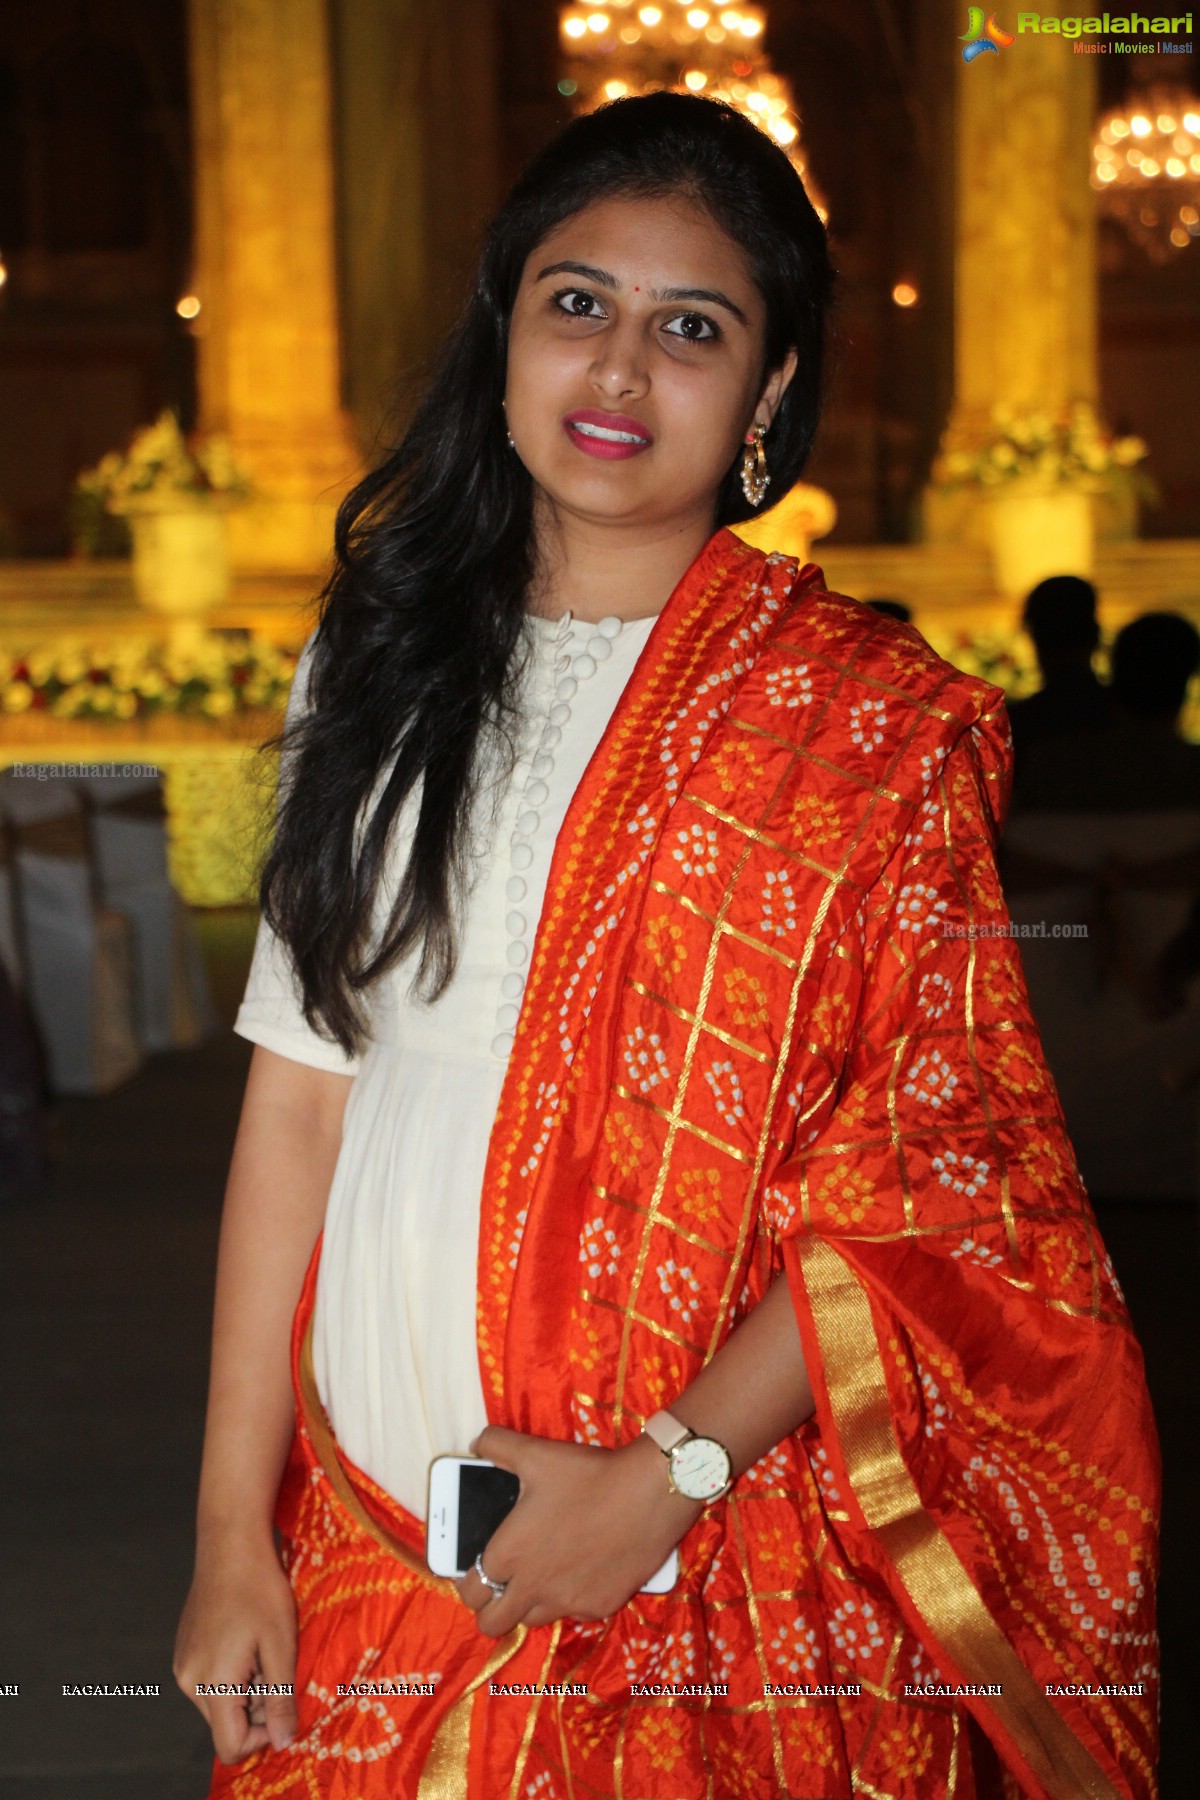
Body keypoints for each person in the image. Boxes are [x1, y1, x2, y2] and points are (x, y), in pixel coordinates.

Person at [174, 94, 1160, 1800]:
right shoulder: (376, 662)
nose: (620, 371)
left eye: (690, 329)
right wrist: (224, 1538)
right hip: (359, 1546)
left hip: (701, 1564)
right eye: (578, 305)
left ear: (770, 392)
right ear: (505, 336)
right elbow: (299, 1109)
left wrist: (662, 1478)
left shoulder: (863, 728)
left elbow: (940, 1185)